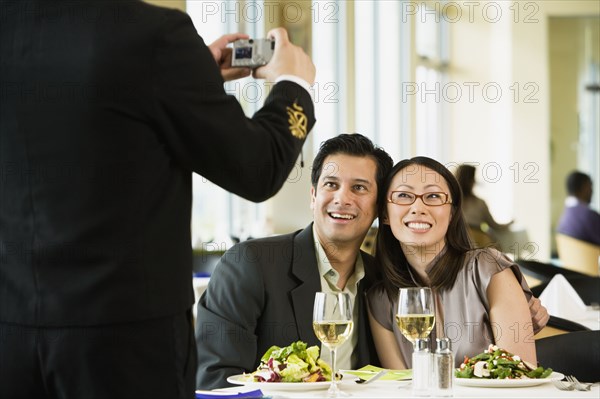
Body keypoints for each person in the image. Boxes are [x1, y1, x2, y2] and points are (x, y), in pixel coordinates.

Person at [0, 0, 316, 397]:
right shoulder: (153, 35)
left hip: (10, 333)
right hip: (124, 345)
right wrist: (294, 85)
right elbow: (259, 169)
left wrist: (189, 77)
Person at [195, 134, 393, 389]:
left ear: (378, 207)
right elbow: (215, 380)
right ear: (313, 196)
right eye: (331, 185)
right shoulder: (249, 264)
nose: (342, 199)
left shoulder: (381, 280)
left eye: (359, 187)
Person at [368, 157, 542, 370]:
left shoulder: (488, 270)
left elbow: (519, 375)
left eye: (433, 196)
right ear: (385, 213)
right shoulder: (381, 299)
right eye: (403, 195)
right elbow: (401, 386)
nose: (418, 207)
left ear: (451, 213)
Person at [455, 164, 513, 244]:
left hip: (457, 239)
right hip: (479, 239)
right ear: (472, 181)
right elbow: (494, 226)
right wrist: (509, 223)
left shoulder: (450, 201)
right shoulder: (479, 203)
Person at [557, 171, 600, 245]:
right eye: (590, 186)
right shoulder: (589, 215)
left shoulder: (564, 217)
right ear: (584, 187)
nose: (592, 191)